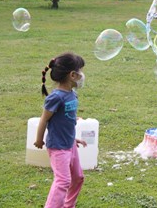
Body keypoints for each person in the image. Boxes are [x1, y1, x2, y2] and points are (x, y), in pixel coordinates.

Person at [35, 52, 87, 207]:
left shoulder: (72, 94)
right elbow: (44, 119)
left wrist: (73, 138)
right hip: (58, 147)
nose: (83, 75)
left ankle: (67, 205)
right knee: (63, 180)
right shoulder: (56, 97)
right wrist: (39, 139)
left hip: (69, 143)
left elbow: (66, 119)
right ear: (72, 75)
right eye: (81, 71)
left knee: (78, 177)